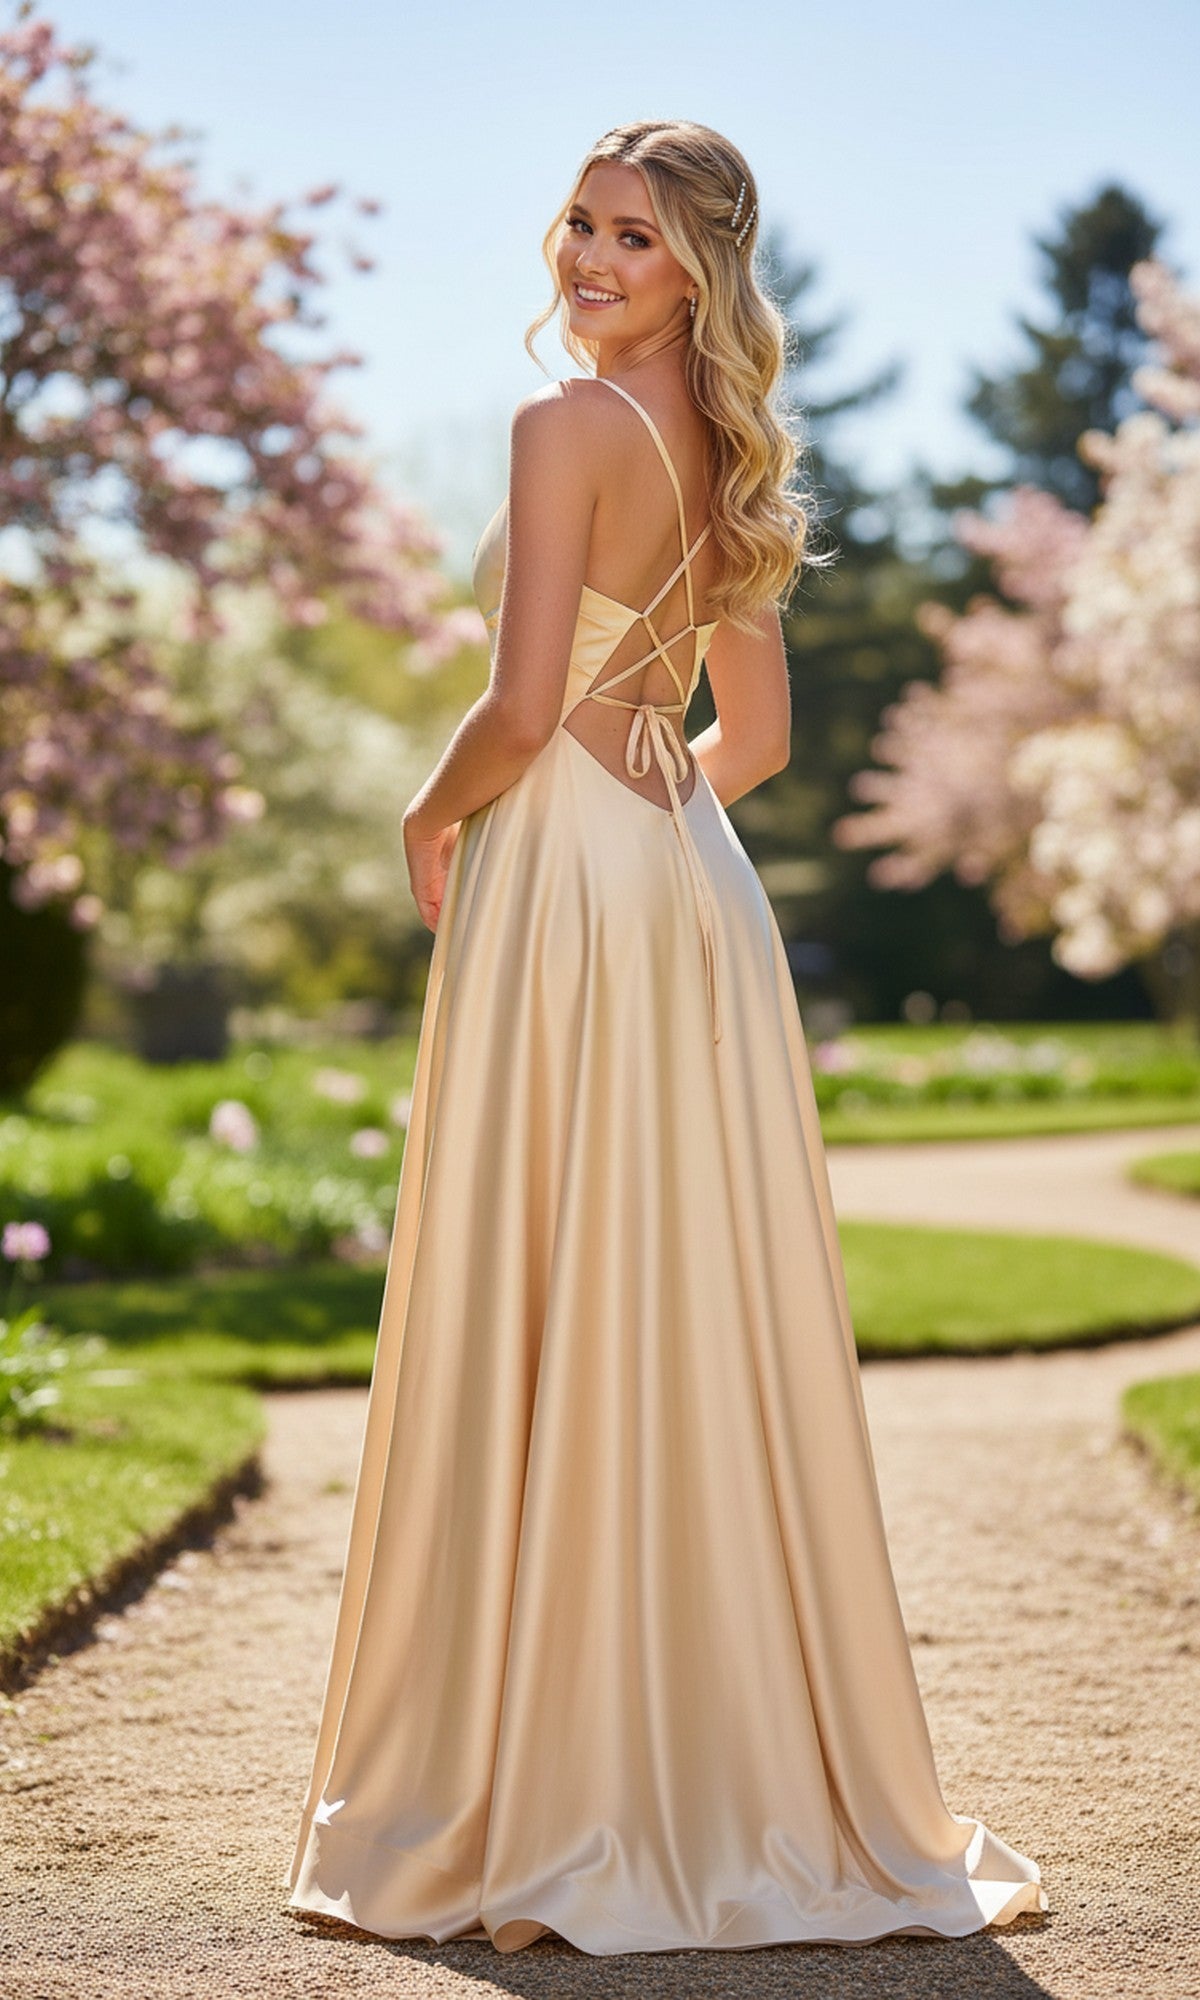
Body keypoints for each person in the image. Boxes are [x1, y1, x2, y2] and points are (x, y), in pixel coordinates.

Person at [284, 118, 1048, 1956]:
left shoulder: (564, 431)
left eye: (634, 235)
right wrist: (651, 826)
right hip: (689, 893)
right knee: (675, 1302)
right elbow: (756, 743)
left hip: (576, 885)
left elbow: (521, 697)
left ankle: (547, 1780)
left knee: (556, 1286)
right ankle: (701, 1760)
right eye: (580, 221)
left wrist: (438, 815)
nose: (592, 256)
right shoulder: (737, 458)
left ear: (703, 265)